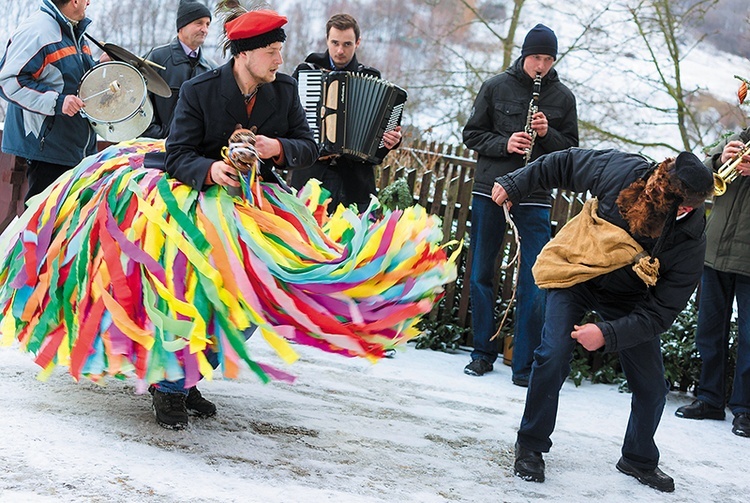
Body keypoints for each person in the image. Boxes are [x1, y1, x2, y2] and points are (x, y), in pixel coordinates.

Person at [490, 148, 714, 492]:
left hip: (628, 297)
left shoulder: (690, 239)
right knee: (553, 354)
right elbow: (562, 163)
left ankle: (637, 458)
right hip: (577, 274)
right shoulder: (623, 171)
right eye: (676, 202)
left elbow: (662, 312)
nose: (682, 210)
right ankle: (531, 445)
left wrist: (608, 333)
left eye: (687, 207)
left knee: (653, 388)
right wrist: (516, 182)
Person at [156, 8, 318, 428]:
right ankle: (170, 385)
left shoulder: (283, 90)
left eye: (280, 50)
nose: (279, 60)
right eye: (271, 51)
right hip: (198, 204)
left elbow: (308, 146)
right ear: (244, 54)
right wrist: (210, 170)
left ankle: (189, 375)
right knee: (192, 294)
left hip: (257, 210)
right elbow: (177, 156)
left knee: (250, 300)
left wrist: (276, 147)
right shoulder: (198, 89)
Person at [462, 24, 578, 386]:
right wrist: (504, 143)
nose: (540, 65)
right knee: (482, 270)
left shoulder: (562, 97)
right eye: (535, 58)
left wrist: (547, 135)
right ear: (524, 56)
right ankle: (482, 353)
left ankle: (524, 364)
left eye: (547, 59)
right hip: (491, 189)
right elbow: (471, 134)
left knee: (535, 277)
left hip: (536, 194)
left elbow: (571, 150)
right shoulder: (496, 86)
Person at [674, 128, 750, 438]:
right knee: (709, 327)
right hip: (715, 249)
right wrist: (719, 159)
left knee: (749, 337)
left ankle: (744, 408)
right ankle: (709, 398)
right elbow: (698, 176)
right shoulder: (741, 137)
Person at [289, 13, 402, 214]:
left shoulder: (370, 77)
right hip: (311, 176)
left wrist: (391, 141)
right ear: (327, 40)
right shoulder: (307, 72)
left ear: (357, 43)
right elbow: (287, 121)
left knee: (350, 243)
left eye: (347, 44)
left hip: (354, 182)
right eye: (335, 43)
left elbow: (379, 141)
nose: (340, 50)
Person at [0, 0, 97, 202]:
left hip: (75, 150)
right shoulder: (37, 31)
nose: (89, 2)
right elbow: (8, 81)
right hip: (48, 151)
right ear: (75, 1)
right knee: (42, 227)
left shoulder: (72, 31)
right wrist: (57, 102)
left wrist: (99, 67)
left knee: (69, 226)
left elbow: (68, 78)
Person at [141, 0, 214, 139]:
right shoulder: (157, 58)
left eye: (207, 24)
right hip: (157, 147)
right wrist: (159, 134)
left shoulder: (210, 68)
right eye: (199, 23)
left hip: (195, 152)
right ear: (181, 26)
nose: (205, 29)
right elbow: (138, 100)